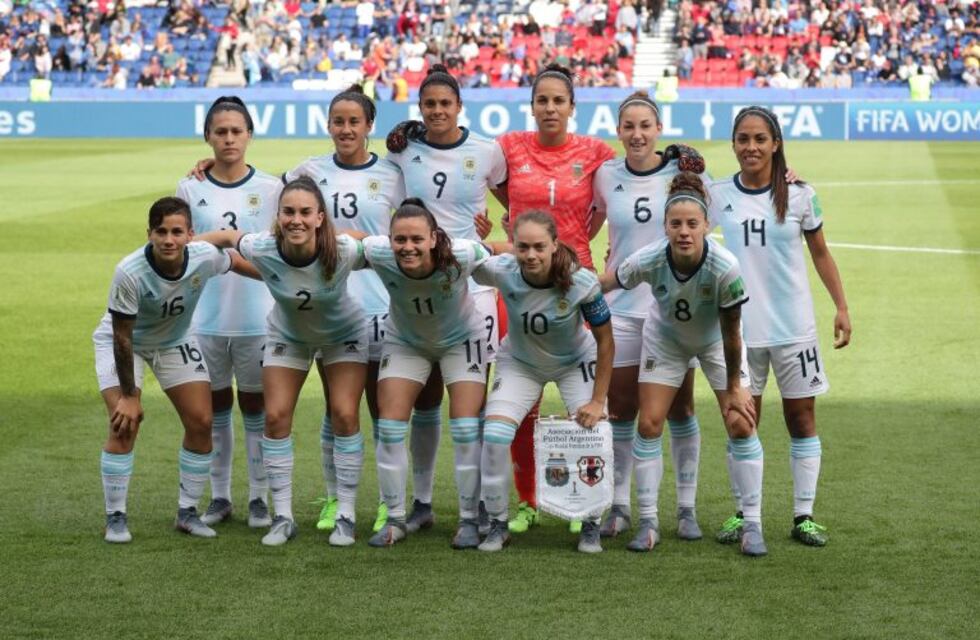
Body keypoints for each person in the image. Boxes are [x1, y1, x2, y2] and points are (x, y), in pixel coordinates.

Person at [196, 177, 369, 547]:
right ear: (277, 216)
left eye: (306, 212)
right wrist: (185, 245)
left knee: (344, 414)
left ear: (320, 217)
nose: (296, 220)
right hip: (288, 336)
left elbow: (380, 247)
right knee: (274, 417)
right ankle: (282, 517)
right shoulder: (263, 246)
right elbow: (227, 236)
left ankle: (346, 515)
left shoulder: (342, 250)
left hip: (343, 336)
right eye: (288, 212)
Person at [600, 172, 764, 556]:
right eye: (676, 224)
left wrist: (736, 389)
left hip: (717, 343)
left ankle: (752, 524)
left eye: (692, 224)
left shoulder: (725, 267)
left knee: (741, 421)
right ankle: (649, 522)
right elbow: (610, 282)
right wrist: (571, 287)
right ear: (666, 227)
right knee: (649, 422)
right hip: (666, 341)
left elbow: (731, 330)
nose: (684, 232)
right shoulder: (649, 258)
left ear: (707, 225)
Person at [708, 106, 851, 548]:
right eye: (742, 139)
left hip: (794, 328)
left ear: (775, 144)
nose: (750, 147)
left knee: (801, 418)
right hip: (739, 332)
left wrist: (842, 307)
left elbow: (821, 254)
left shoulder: (802, 195)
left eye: (759, 139)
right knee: (741, 421)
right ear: (733, 145)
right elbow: (683, 227)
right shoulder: (717, 195)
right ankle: (743, 512)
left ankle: (803, 515)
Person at [385, 64, 508, 534]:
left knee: (467, 409)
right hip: (418, 285)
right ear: (420, 109)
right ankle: (420, 503)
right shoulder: (406, 150)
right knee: (425, 398)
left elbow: (509, 197)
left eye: (445, 103)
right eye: (429, 104)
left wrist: (495, 231)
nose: (438, 111)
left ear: (459, 107)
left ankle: (472, 513)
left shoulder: (485, 151)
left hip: (472, 285)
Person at [494, 64, 616, 535]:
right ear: (532, 105)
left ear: (571, 107)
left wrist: (581, 242)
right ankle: (525, 500)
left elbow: (618, 194)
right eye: (541, 100)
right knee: (521, 404)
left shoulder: (596, 152)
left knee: (579, 403)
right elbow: (473, 173)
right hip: (521, 287)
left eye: (558, 101)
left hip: (575, 288)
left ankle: (578, 500)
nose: (549, 108)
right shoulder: (509, 147)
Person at [281, 86, 404, 536]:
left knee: (380, 408)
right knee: (338, 409)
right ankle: (337, 498)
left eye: (354, 121)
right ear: (328, 124)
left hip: (381, 302)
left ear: (369, 126)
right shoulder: (309, 171)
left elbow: (416, 224)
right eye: (338, 121)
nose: (346, 129)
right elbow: (271, 197)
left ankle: (390, 504)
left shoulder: (393, 173)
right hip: (329, 304)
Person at [94, 196, 254, 543]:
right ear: (149, 233)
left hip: (174, 341)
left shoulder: (204, 257)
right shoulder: (130, 271)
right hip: (124, 344)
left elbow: (235, 262)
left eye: (177, 232)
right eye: (161, 232)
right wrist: (130, 396)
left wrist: (279, 277)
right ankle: (116, 517)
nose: (169, 240)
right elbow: (122, 336)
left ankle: (187, 512)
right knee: (125, 422)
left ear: (190, 234)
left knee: (202, 421)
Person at [591, 91, 706, 541]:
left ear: (658, 129)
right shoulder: (605, 176)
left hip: (673, 310)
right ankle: (619, 506)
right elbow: (591, 221)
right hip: (620, 309)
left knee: (680, 409)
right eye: (628, 127)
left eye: (645, 126)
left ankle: (686, 508)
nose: (637, 135)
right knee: (620, 409)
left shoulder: (685, 173)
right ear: (618, 131)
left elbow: (704, 227)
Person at [362, 200, 508, 548]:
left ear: (433, 239)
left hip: (461, 339)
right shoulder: (378, 252)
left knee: (465, 426)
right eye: (400, 239)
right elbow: (347, 244)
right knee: (391, 425)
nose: (407, 247)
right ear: (389, 239)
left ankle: (471, 518)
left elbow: (504, 249)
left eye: (416, 239)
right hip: (406, 340)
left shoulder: (462, 253)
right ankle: (396, 517)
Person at [475, 211, 613, 553]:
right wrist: (480, 244)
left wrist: (597, 401)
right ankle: (496, 523)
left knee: (591, 434)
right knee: (494, 436)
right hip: (521, 363)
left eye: (539, 246)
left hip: (574, 362)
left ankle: (591, 523)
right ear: (513, 246)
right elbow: (470, 258)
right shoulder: (501, 270)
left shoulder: (581, 282)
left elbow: (606, 342)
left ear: (554, 245)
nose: (531, 255)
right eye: (522, 247)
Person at [175, 97, 281, 530]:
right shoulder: (189, 187)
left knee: (255, 409)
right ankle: (220, 497)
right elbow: (178, 250)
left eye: (237, 131)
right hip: (205, 317)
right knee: (216, 408)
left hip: (258, 316)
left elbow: (280, 256)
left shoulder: (273, 189)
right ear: (208, 137)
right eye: (220, 131)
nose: (229, 138)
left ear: (250, 135)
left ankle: (258, 498)